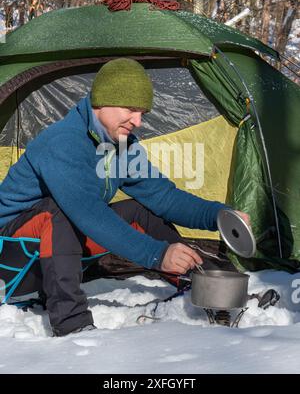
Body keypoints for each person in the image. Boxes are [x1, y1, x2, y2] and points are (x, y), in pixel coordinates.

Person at [0, 58, 250, 336]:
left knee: (139, 209)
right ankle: (72, 324)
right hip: (14, 257)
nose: (138, 121)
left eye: (142, 112)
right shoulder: (62, 142)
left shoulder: (120, 145)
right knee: (58, 210)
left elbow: (164, 197)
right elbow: (87, 213)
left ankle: (206, 286)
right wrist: (156, 255)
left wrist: (219, 216)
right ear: (102, 101)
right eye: (131, 109)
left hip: (58, 247)